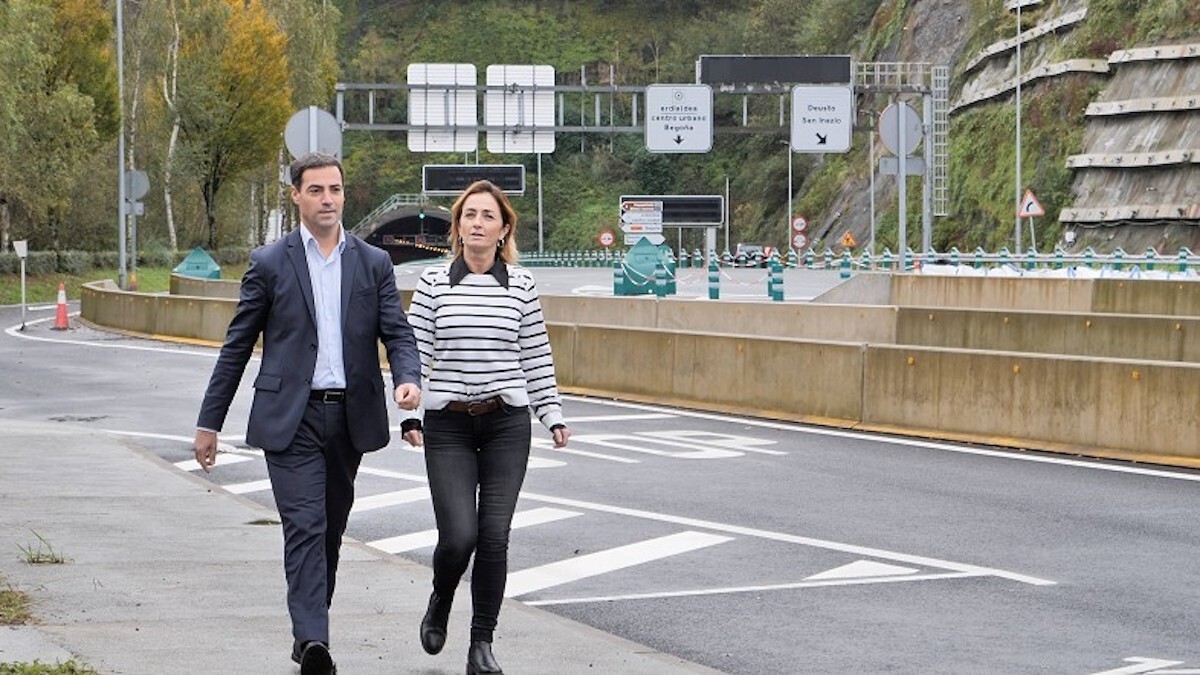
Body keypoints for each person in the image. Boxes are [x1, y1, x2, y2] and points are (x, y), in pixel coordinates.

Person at [193, 152, 422, 675]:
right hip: (289, 418)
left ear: (345, 195)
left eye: (335, 190)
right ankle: (315, 641)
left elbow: (398, 333)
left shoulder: (372, 262)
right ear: (296, 195)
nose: (327, 199)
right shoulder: (270, 262)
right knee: (305, 525)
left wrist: (407, 379)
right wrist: (210, 422)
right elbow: (236, 346)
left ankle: (308, 629)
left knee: (330, 531)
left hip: (349, 418)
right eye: (315, 190)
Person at [401, 180, 570, 675]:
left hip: (506, 423)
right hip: (448, 425)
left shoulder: (521, 285)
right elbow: (416, 352)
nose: (477, 223)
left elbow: (536, 355)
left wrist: (551, 413)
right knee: (458, 537)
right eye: (469, 215)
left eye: (487, 216)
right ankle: (440, 598)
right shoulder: (433, 284)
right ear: (457, 227)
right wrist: (411, 411)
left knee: (494, 536)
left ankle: (481, 644)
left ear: (503, 229)